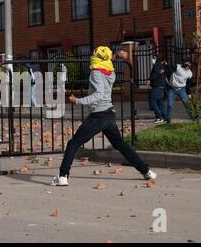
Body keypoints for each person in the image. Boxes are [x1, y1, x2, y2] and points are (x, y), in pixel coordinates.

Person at [51, 46, 157, 186]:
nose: (93, 55)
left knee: (73, 143)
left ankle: (63, 176)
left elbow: (98, 95)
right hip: (109, 115)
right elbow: (107, 59)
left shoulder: (96, 73)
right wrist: (117, 54)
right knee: (121, 145)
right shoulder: (110, 72)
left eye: (95, 54)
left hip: (98, 116)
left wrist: (77, 101)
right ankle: (147, 172)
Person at [149, 55, 168, 123]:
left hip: (156, 87)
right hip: (162, 87)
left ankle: (159, 117)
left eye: (154, 58)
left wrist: (149, 79)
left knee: (153, 102)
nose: (153, 59)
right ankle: (165, 117)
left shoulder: (157, 65)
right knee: (160, 103)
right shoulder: (162, 66)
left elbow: (154, 75)